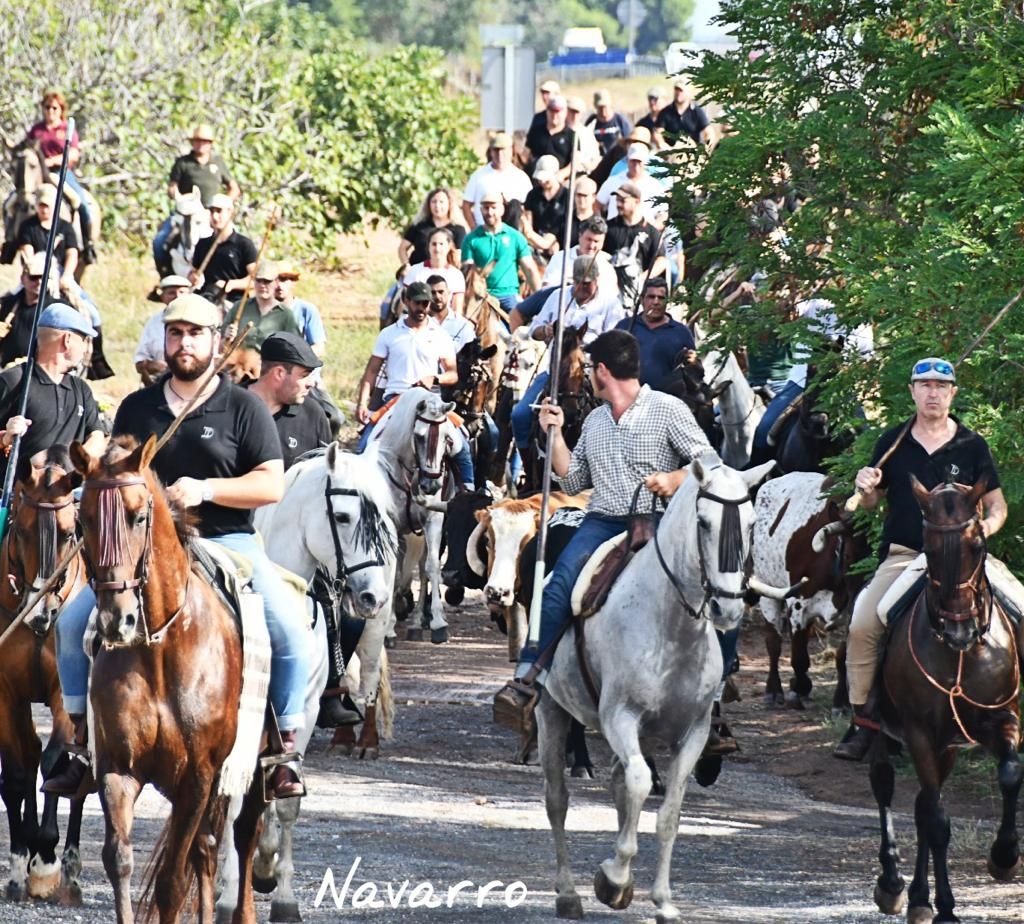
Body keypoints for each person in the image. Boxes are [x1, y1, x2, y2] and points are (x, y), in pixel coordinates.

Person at [46, 293, 311, 799]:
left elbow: (270, 484)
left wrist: (206, 489)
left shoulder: (243, 406)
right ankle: (79, 743)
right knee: (72, 622)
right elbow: (114, 465)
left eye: (194, 334)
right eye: (174, 333)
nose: (183, 343)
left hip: (227, 541)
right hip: (144, 552)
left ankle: (283, 749)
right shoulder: (138, 406)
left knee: (289, 629)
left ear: (217, 341)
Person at [494, 329, 712, 726]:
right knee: (558, 586)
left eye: (591, 367)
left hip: (660, 521)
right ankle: (526, 678)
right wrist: (555, 433)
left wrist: (676, 479)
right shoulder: (595, 421)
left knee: (704, 590)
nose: (588, 375)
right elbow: (572, 480)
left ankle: (713, 698)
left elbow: (710, 463)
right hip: (602, 520)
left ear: (603, 371)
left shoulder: (667, 410)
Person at [833, 358, 1008, 761]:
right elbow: (873, 502)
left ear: (952, 393)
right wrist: (867, 485)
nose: (933, 392)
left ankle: (1006, 711)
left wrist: (983, 532)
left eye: (941, 386)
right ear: (912, 391)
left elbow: (996, 507)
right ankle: (865, 720)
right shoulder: (893, 442)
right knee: (863, 623)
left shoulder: (972, 445)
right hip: (906, 555)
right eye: (924, 385)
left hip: (966, 560)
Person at [354, 282, 474, 487]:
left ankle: (468, 489)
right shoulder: (390, 333)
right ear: (406, 302)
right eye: (417, 303)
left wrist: (435, 378)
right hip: (396, 399)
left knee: (461, 444)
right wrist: (362, 403)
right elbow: (371, 371)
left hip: (430, 399)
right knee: (365, 444)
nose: (421, 308)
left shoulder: (440, 334)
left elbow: (452, 374)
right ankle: (359, 489)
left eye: (425, 304)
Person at [510, 256, 625, 455]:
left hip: (592, 372)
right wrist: (545, 331)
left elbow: (617, 341)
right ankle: (529, 464)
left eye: (588, 283)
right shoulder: (558, 296)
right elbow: (533, 330)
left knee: (620, 416)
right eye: (579, 282)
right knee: (519, 414)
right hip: (556, 370)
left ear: (597, 280)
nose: (583, 287)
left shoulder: (610, 304)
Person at [15, 186, 111, 380]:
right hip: (35, 271)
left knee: (91, 312)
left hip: (60, 274)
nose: (44, 210)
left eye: (48, 206)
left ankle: (96, 361)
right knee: (10, 301)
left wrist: (67, 276)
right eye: (41, 205)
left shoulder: (65, 227)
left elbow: (72, 253)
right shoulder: (28, 226)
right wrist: (34, 272)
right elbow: (27, 251)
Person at [0, 303, 106, 475]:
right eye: (84, 340)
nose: (86, 349)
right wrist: (5, 438)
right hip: (18, 497)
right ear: (67, 340)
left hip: (69, 496)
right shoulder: (12, 381)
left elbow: (97, 436)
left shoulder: (81, 389)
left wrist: (67, 467)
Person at [154, 124, 240, 275]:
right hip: (186, 213)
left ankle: (236, 276)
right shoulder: (183, 163)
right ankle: (165, 278)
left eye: (204, 141)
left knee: (237, 240)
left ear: (210, 144)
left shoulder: (218, 163)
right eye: (197, 141)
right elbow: (172, 186)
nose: (200, 144)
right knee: (160, 241)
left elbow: (234, 188)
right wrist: (178, 196)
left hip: (212, 213)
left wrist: (223, 204)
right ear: (192, 143)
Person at [23, 91, 95, 263]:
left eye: (54, 108)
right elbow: (26, 149)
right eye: (47, 107)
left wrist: (52, 161)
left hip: (60, 172)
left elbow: (74, 154)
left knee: (81, 203)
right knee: (13, 202)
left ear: (61, 109)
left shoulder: (66, 129)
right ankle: (11, 243)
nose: (50, 111)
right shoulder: (37, 130)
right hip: (37, 173)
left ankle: (87, 242)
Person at [248, 332, 331, 470]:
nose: (311, 383)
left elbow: (324, 476)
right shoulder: (230, 407)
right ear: (279, 373)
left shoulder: (313, 416)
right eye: (305, 375)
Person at [460, 189, 540, 312]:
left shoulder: (515, 237)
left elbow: (529, 269)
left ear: (502, 210)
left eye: (493, 207)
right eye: (486, 208)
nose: (490, 212)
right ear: (481, 210)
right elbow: (467, 272)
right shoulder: (471, 239)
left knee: (520, 327)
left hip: (509, 295)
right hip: (481, 296)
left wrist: (538, 299)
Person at [614, 278, 695, 387]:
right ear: (642, 300)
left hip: (667, 400)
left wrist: (693, 361)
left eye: (661, 298)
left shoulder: (681, 333)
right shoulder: (624, 327)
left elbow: (693, 372)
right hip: (629, 399)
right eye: (651, 297)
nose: (656, 302)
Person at [603, 182, 667, 306]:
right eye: (617, 200)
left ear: (637, 201)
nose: (618, 204)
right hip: (611, 291)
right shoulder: (609, 228)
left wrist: (642, 278)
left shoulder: (651, 232)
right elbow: (600, 254)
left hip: (640, 293)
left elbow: (661, 260)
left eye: (623, 200)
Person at [189, 194, 257, 301]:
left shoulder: (244, 244)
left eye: (219, 211)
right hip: (208, 297)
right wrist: (193, 277)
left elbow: (254, 279)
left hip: (234, 301)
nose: (215, 216)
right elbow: (193, 272)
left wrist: (230, 284)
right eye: (212, 211)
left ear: (230, 212)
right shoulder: (203, 244)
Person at [462, 133, 532, 229]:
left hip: (511, 234)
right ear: (490, 151)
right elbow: (466, 204)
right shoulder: (478, 176)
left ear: (511, 150)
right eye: (496, 150)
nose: (500, 154)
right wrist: (474, 228)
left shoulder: (521, 177)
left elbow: (528, 209)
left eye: (503, 150)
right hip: (484, 232)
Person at [229, 260, 302, 351]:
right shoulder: (239, 307)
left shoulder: (286, 315)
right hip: (239, 362)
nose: (262, 285)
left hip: (270, 363)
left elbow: (295, 348)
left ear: (276, 282)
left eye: (267, 281)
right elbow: (221, 343)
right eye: (258, 280)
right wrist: (227, 337)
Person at [134, 274, 192, 385]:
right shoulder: (153, 323)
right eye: (171, 293)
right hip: (160, 383)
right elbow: (139, 363)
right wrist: (153, 365)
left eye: (182, 292)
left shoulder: (201, 322)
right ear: (163, 297)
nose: (177, 296)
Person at [0, 253, 49, 367]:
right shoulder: (9, 304)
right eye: (34, 277)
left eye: (43, 277)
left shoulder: (54, 308)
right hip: (8, 369)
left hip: (38, 370)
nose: (39, 282)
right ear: (23, 279)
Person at [596, 144, 666, 225]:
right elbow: (597, 205)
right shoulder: (613, 181)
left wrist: (654, 231)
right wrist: (601, 225)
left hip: (643, 233)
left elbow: (663, 214)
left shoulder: (654, 185)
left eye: (639, 161)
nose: (636, 165)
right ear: (627, 161)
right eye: (633, 161)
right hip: (615, 230)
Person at [401, 228, 466, 314]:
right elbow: (406, 305)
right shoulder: (415, 271)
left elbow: (457, 310)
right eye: (434, 244)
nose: (437, 248)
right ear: (428, 246)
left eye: (441, 244)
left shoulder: (456, 275)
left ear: (449, 246)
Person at [399, 188, 466, 266]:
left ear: (449, 204)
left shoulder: (458, 229)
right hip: (418, 272)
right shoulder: (419, 226)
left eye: (441, 202)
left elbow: (458, 255)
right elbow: (402, 248)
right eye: (434, 202)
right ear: (428, 205)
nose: (437, 205)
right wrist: (406, 266)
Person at [273, 261, 326, 357]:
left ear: (293, 283)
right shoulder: (264, 312)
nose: (279, 285)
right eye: (274, 280)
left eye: (284, 279)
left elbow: (319, 348)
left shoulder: (307, 310)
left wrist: (295, 358)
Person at [521, 156, 569, 259]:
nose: (542, 182)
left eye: (546, 179)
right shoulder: (533, 195)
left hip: (557, 244)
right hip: (534, 242)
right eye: (540, 179)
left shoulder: (567, 196)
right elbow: (529, 222)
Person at [523, 95, 575, 178]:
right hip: (537, 176)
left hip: (560, 178)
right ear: (547, 111)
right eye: (552, 111)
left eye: (557, 111)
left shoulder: (572, 136)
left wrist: (562, 174)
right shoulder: (536, 131)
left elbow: (575, 161)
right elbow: (527, 154)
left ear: (565, 112)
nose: (554, 115)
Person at [426, 275, 475, 352]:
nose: (438, 296)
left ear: (449, 293)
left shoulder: (463, 325)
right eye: (433, 293)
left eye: (441, 292)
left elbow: (472, 354)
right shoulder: (418, 324)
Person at [656, 79, 711, 146]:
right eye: (676, 89)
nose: (678, 93)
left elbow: (708, 131)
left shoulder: (697, 111)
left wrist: (707, 145)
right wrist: (662, 144)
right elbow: (658, 132)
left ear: (688, 92)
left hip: (692, 151)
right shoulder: (665, 112)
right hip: (670, 151)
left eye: (681, 90)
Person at [586, 89, 633, 156]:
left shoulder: (620, 121)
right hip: (597, 161)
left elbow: (629, 143)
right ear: (595, 106)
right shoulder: (591, 122)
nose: (603, 110)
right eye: (600, 107)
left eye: (605, 106)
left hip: (617, 160)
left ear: (610, 104)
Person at [564, 97, 601, 175]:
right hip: (562, 174)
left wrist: (587, 166)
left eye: (577, 112)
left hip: (582, 174)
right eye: (572, 111)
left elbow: (595, 158)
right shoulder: (559, 130)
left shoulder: (587, 133)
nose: (575, 115)